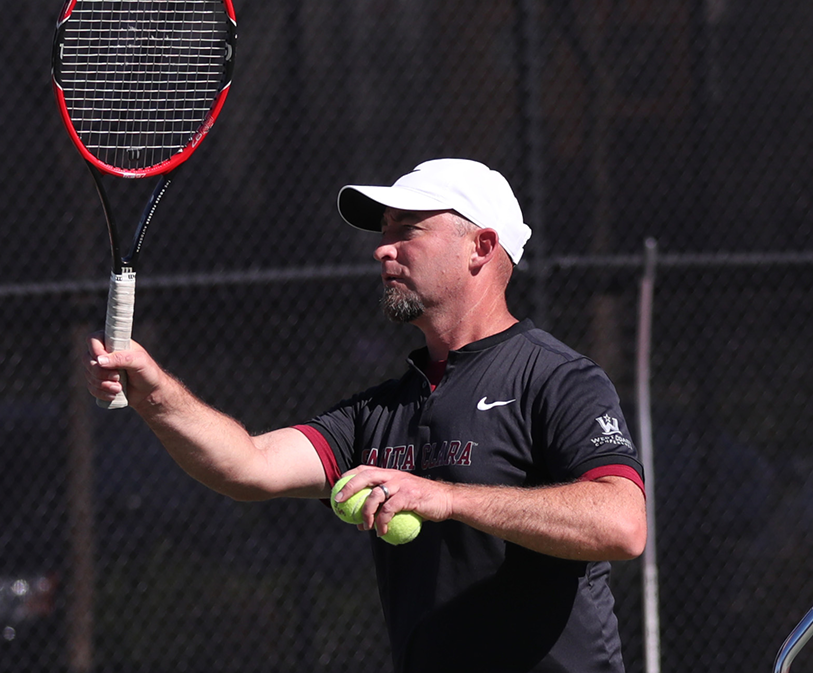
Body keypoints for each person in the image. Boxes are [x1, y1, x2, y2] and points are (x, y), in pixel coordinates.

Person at [86, 158, 648, 673]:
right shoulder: (380, 410)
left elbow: (622, 523)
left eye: (408, 230)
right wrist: (155, 395)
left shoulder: (556, 378)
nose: (384, 250)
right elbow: (249, 466)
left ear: (480, 246)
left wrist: (449, 498)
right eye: (384, 234)